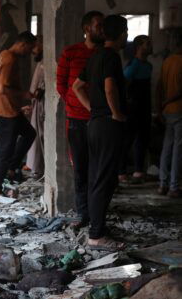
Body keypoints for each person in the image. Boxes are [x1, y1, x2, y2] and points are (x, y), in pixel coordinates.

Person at [73, 15, 128, 251]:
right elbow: (109, 86)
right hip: (106, 125)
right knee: (104, 180)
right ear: (121, 33)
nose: (127, 36)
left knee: (97, 177)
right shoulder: (111, 56)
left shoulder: (95, 56)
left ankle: (97, 229)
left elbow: (77, 87)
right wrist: (115, 112)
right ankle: (96, 235)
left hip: (94, 124)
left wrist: (94, 109)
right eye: (126, 31)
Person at [56, 11, 104, 229]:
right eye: (98, 25)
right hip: (76, 120)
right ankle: (83, 213)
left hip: (100, 120)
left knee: (99, 170)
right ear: (86, 29)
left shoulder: (105, 54)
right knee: (80, 169)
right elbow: (61, 85)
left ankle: (97, 215)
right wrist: (75, 105)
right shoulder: (71, 52)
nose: (101, 30)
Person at [0, 31, 37, 197]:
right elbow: (2, 89)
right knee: (5, 150)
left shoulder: (4, 54)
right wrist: (23, 95)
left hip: (5, 109)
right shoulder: (10, 59)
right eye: (29, 48)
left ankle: (11, 167)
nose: (29, 53)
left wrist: (19, 106)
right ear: (22, 44)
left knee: (29, 133)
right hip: (6, 111)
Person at [118, 35, 153, 183]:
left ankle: (138, 171)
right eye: (147, 44)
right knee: (127, 140)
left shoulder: (148, 66)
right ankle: (121, 172)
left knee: (142, 139)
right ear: (138, 47)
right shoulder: (133, 65)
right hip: (133, 108)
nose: (150, 47)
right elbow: (123, 83)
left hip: (145, 107)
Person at [157, 34, 182, 198]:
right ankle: (174, 187)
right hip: (180, 109)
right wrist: (169, 100)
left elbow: (159, 87)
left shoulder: (166, 62)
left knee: (167, 147)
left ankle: (162, 184)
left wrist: (161, 106)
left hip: (168, 111)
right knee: (178, 149)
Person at [26, 36, 45, 178]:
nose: (33, 51)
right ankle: (35, 167)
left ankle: (39, 168)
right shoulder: (41, 63)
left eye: (35, 47)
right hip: (37, 104)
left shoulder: (46, 62)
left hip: (42, 105)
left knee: (40, 137)